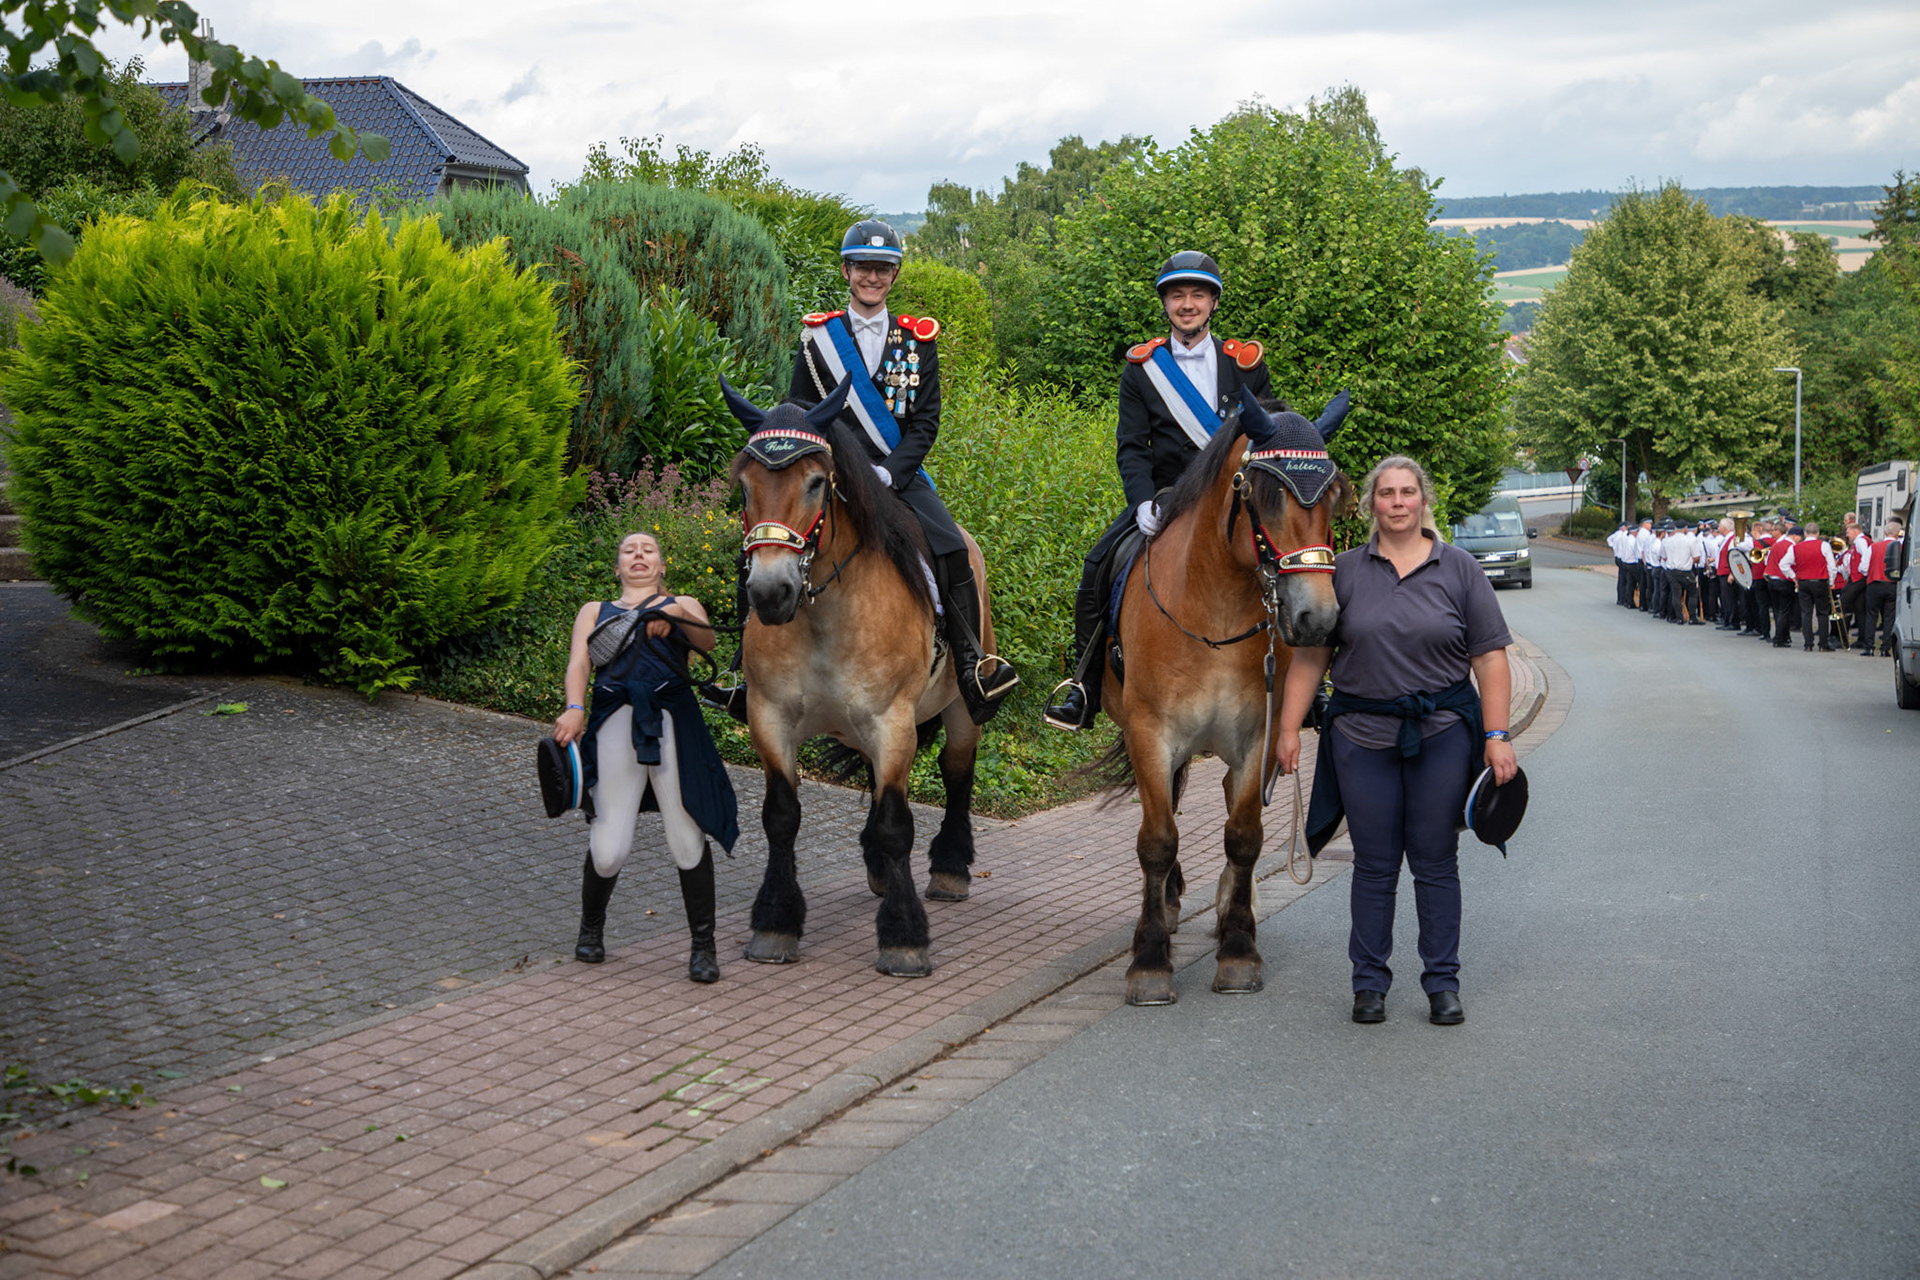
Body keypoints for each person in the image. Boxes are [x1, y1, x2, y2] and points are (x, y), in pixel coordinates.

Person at [1279, 455, 1516, 1028]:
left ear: (1422, 499)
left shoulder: (1459, 569)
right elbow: (1311, 658)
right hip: (1360, 737)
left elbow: (1489, 658)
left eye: (1408, 492)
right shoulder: (1343, 571)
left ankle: (1442, 984)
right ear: (1371, 504)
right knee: (1375, 864)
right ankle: (1369, 985)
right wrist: (1288, 728)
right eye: (1386, 493)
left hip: (1442, 735)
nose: (1398, 502)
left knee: (1435, 860)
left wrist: (1497, 735)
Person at [786, 218, 1017, 723]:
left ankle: (971, 665)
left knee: (954, 548)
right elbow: (800, 413)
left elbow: (926, 422)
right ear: (846, 271)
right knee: (769, 539)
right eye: (864, 267)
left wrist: (890, 472)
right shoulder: (816, 339)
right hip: (832, 479)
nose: (872, 277)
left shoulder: (918, 340)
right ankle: (747, 670)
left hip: (898, 477)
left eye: (883, 269)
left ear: (894, 276)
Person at [1043, 250, 1278, 731]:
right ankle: (1084, 687)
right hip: (1168, 498)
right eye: (1177, 295)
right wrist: (1142, 501)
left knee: (1285, 562)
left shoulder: (1246, 365)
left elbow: (1264, 440)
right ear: (1165, 303)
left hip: (1235, 498)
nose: (1187, 304)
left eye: (1197, 295)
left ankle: (1304, 683)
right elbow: (1132, 446)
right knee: (1097, 566)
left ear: (1214, 302)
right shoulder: (1142, 368)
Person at [554, 532, 739, 983]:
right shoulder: (594, 611)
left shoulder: (683, 603)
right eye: (629, 551)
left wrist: (671, 613)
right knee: (608, 850)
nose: (639, 555)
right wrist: (574, 707)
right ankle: (591, 928)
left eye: (648, 550)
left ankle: (703, 947)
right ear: (617, 567)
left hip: (672, 720)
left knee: (686, 837)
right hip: (614, 720)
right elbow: (579, 662)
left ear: (661, 566)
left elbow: (708, 643)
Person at [1785, 522, 1839, 652]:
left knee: (1806, 612)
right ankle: (1823, 643)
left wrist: (1794, 576)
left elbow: (1783, 564)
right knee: (1822, 613)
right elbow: (1831, 566)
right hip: (1820, 581)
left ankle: (1808, 644)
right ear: (1818, 533)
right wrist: (1831, 581)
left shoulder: (1795, 547)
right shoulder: (1824, 545)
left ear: (1805, 533)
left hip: (1803, 581)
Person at [1862, 518, 1904, 657]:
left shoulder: (1873, 547)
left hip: (1875, 583)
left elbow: (1863, 567)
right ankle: (1885, 648)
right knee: (1889, 617)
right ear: (1898, 533)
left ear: (1885, 532)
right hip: (1892, 585)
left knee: (1871, 615)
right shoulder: (1901, 548)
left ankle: (1869, 647)